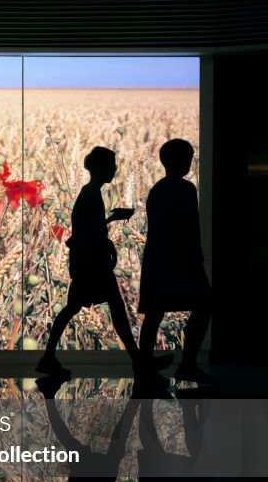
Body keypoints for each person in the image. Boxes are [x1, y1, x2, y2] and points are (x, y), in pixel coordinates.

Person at [36, 147, 168, 380]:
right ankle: (139, 362)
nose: (115, 169)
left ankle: (138, 361)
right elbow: (88, 232)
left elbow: (89, 227)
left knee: (88, 308)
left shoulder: (90, 193)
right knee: (92, 309)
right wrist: (107, 240)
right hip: (91, 264)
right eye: (111, 165)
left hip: (88, 261)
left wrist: (110, 220)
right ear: (99, 168)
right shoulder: (90, 195)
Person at [138, 139, 215, 384]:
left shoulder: (157, 189)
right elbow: (190, 229)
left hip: (158, 259)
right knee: (203, 307)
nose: (191, 161)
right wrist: (196, 258)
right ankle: (188, 364)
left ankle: (145, 369)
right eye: (189, 156)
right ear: (180, 161)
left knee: (154, 314)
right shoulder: (186, 189)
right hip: (182, 259)